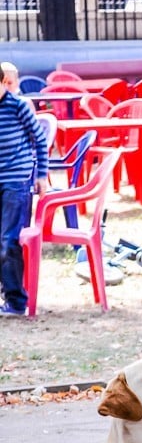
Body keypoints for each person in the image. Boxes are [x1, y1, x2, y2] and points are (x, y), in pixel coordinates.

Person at [0, 64, 48, 317]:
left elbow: (39, 139)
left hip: (15, 180)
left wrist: (41, 175)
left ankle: (16, 301)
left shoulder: (17, 106)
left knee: (8, 241)